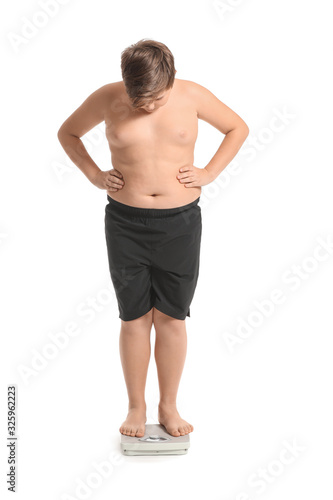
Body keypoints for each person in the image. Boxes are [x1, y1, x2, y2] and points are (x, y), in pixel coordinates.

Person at [57, 38, 249, 438]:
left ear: (171, 79)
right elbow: (68, 134)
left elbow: (237, 127)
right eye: (138, 98)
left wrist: (209, 172)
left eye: (156, 99)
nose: (145, 106)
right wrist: (95, 175)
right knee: (134, 318)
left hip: (180, 223)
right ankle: (135, 407)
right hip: (125, 223)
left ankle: (168, 406)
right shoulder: (108, 97)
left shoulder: (193, 94)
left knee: (172, 318)